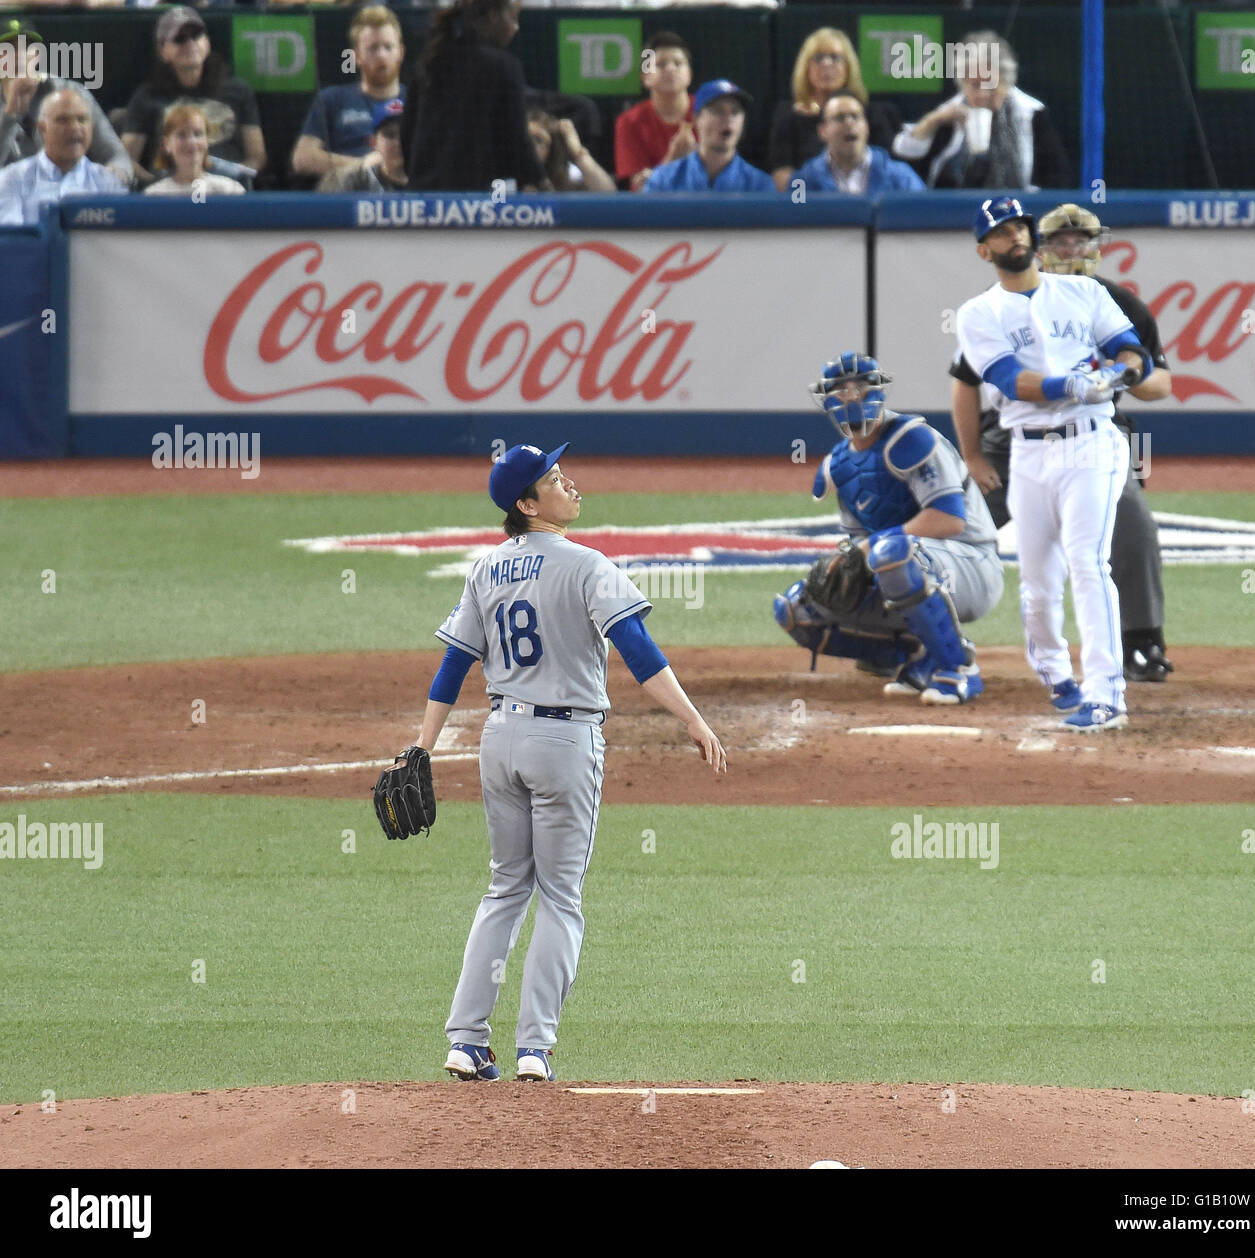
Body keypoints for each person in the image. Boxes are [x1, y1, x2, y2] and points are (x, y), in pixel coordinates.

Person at [415, 443, 726, 1083]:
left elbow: (454, 666)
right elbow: (638, 650)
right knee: (560, 897)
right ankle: (534, 1049)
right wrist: (693, 719)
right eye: (555, 480)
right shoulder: (587, 566)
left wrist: (424, 745)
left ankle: (466, 1040)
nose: (570, 484)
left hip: (497, 740)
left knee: (505, 888)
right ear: (527, 504)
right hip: (563, 743)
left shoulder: (485, 570)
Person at [949, 203, 1175, 683]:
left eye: (1082, 240)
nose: (1072, 249)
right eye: (1061, 240)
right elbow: (967, 381)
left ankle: (1140, 643)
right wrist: (970, 455)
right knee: (951, 518)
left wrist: (1117, 375)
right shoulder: (991, 308)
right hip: (1009, 441)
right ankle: (915, 634)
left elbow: (1159, 382)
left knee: (1130, 522)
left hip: (1092, 434)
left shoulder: (1105, 298)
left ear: (1097, 246)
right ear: (1042, 246)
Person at [773, 354, 1003, 706]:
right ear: (826, 398)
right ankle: (915, 655)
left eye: (860, 387)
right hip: (911, 566)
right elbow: (860, 543)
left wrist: (867, 550)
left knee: (890, 553)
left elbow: (948, 519)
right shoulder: (839, 465)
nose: (851, 396)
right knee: (796, 609)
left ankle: (959, 668)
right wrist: (848, 560)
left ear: (878, 390)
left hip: (971, 565)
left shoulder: (912, 439)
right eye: (841, 389)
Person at [891, 30, 1069, 191]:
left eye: (991, 85)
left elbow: (1057, 177)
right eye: (975, 85)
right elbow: (904, 155)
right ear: (962, 83)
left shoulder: (1032, 114)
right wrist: (933, 121)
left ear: (1006, 83)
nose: (983, 94)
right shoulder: (948, 113)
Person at [401, 0, 544, 193]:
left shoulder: (430, 60)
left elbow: (407, 135)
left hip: (422, 198)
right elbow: (516, 140)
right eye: (513, 18)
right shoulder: (503, 67)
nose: (516, 28)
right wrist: (542, 183)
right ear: (494, 17)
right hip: (477, 202)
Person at [120, 7, 265, 188]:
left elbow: (257, 156)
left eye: (196, 35)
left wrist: (235, 180)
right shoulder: (146, 96)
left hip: (225, 191)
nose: (190, 43)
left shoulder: (238, 90)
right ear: (162, 50)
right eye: (180, 39)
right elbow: (126, 158)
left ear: (208, 43)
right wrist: (156, 184)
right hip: (170, 193)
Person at [768, 27, 901, 194]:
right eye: (818, 58)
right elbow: (786, 183)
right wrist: (806, 206)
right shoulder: (788, 116)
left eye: (835, 57)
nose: (826, 64)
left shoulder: (872, 114)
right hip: (814, 207)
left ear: (848, 67)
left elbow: (887, 170)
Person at [0, 18, 132, 186]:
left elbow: (117, 156)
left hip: (70, 193)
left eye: (27, 48)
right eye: (8, 49)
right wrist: (10, 116)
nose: (19, 56)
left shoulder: (71, 94)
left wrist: (109, 180)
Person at [290, 5, 403, 187]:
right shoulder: (332, 99)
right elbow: (302, 158)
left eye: (388, 47)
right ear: (357, 56)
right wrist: (363, 166)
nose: (382, 55)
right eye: (373, 48)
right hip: (348, 192)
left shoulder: (417, 101)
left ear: (401, 52)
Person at [0, 87, 124, 225]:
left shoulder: (108, 184)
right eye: (63, 120)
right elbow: (13, 240)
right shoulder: (11, 179)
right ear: (42, 128)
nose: (75, 127)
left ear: (92, 127)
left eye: (82, 119)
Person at [643, 79, 773, 193]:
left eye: (735, 111)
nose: (728, 118)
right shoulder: (663, 181)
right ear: (696, 119)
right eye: (717, 111)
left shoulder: (760, 186)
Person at [791, 92, 924, 196]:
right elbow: (791, 223)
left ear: (866, 127)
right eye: (840, 118)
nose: (849, 123)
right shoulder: (803, 181)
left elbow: (922, 219)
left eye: (855, 116)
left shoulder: (902, 177)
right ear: (822, 131)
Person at [613, 30, 694, 194]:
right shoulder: (629, 122)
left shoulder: (708, 112)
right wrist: (673, 159)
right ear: (645, 77)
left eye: (678, 63)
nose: (670, 69)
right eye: (661, 64)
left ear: (689, 75)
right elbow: (640, 190)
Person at [143, 101, 245, 197]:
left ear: (207, 141)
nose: (192, 142)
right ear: (166, 144)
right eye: (182, 135)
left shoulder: (230, 191)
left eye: (198, 134)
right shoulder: (154, 195)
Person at [318, 98, 407, 193]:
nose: (399, 143)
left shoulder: (424, 182)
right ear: (373, 142)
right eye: (390, 135)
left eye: (407, 134)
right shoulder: (350, 182)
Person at [528, 109, 614, 192]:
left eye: (537, 140)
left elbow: (608, 194)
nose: (529, 145)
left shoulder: (571, 173)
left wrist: (578, 153)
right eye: (525, 139)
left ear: (552, 150)